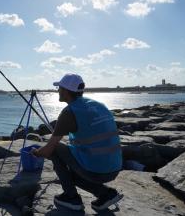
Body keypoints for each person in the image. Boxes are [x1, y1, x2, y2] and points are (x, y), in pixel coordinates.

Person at [31, 73, 123, 211]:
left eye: (60, 88)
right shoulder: (99, 105)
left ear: (66, 91)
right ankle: (105, 194)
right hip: (115, 167)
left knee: (56, 149)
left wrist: (36, 153)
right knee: (69, 172)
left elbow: (50, 149)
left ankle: (71, 198)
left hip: (97, 171)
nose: (58, 91)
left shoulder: (69, 112)